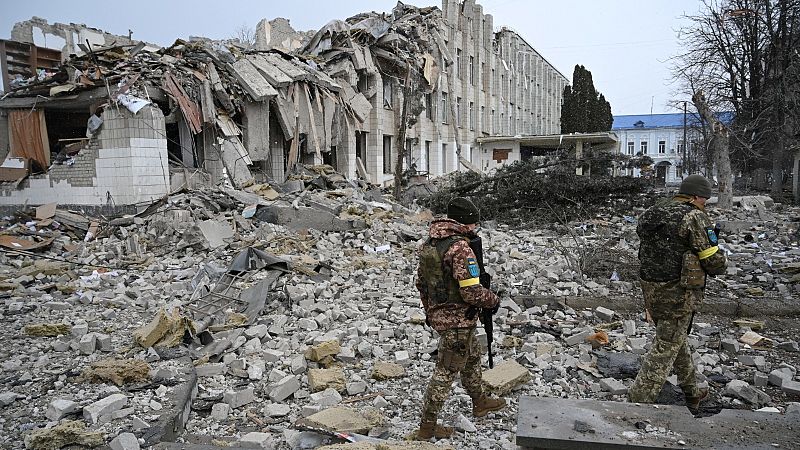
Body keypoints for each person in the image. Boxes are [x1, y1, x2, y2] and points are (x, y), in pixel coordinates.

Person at [628, 174, 727, 412]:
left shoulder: (654, 210)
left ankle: (692, 392)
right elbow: (713, 261)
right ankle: (636, 403)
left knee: (674, 338)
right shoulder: (693, 216)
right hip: (678, 291)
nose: (704, 205)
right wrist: (721, 261)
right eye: (704, 201)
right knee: (665, 346)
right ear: (695, 197)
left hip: (651, 287)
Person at [414, 197, 506, 440]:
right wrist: (492, 300)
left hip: (444, 317)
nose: (476, 229)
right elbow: (471, 291)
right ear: (466, 222)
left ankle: (480, 401)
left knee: (472, 358)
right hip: (458, 322)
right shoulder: (461, 248)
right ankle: (427, 427)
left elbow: (421, 284)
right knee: (445, 372)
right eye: (474, 224)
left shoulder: (430, 244)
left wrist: (431, 312)